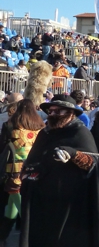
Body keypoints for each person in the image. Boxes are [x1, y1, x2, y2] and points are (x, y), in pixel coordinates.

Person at [20, 95, 99, 247]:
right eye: (51, 111)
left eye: (59, 111)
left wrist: (73, 154)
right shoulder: (45, 133)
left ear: (71, 113)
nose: (53, 114)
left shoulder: (80, 132)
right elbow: (33, 160)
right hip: (43, 199)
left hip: (72, 202)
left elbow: (91, 164)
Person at [0, 100, 46, 245]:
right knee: (13, 208)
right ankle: (2, 236)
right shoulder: (40, 127)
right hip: (33, 170)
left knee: (22, 209)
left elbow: (2, 147)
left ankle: (33, 240)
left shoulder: (9, 126)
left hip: (13, 171)